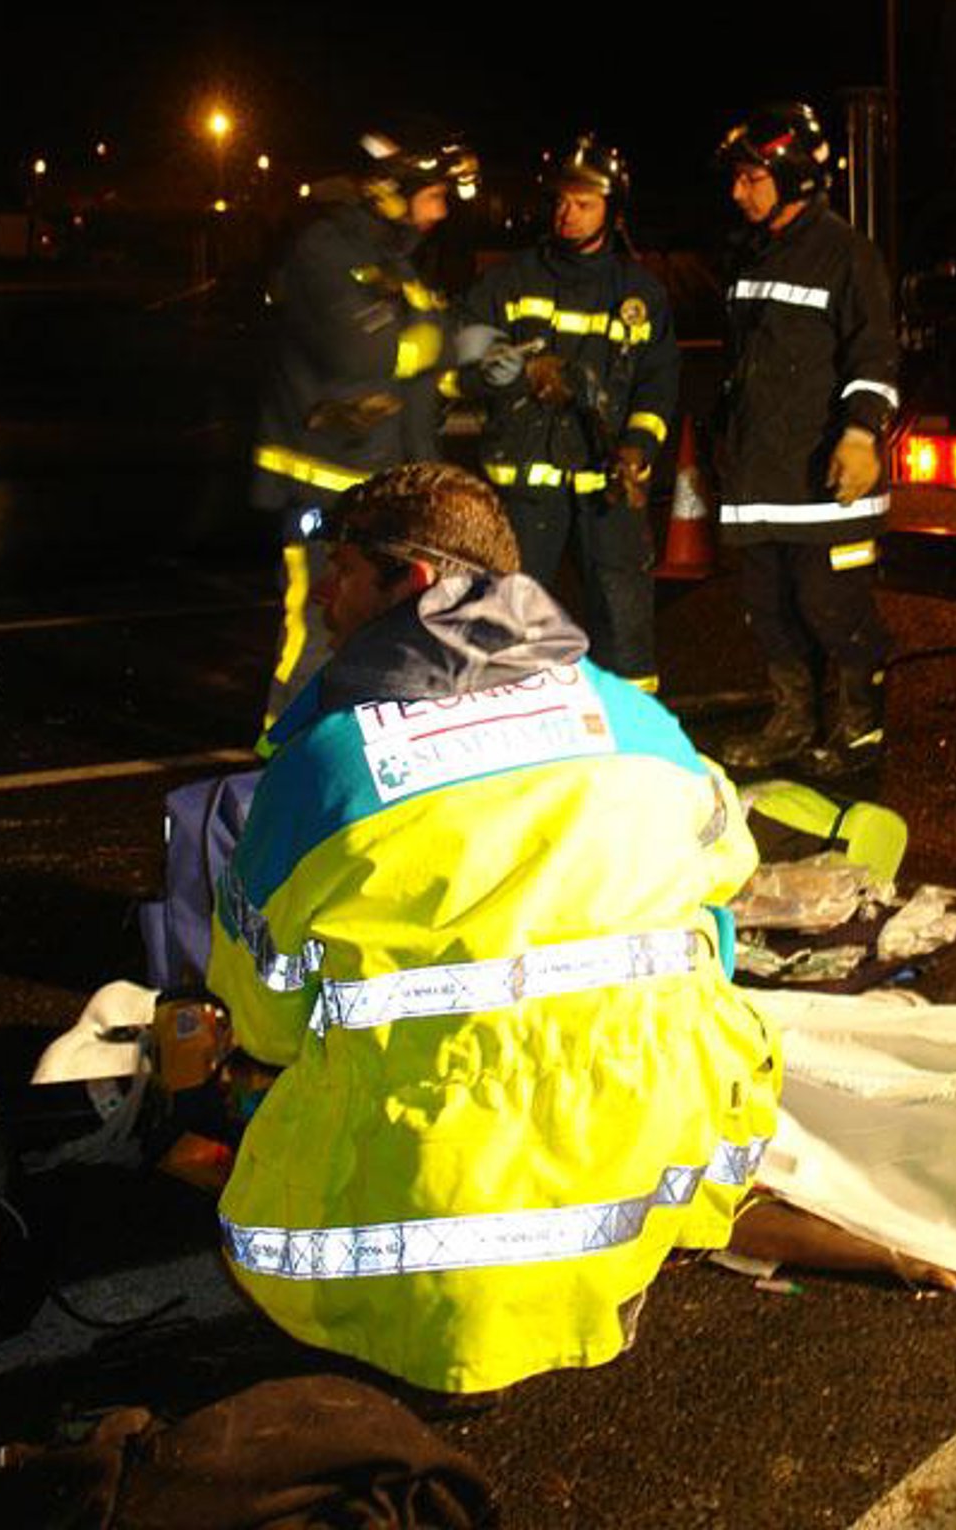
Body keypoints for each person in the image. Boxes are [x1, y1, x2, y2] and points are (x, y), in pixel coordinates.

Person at [206, 462, 781, 1394]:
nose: (321, 598)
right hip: (646, 1150)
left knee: (265, 1163)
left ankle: (417, 1327)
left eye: (341, 571)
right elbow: (721, 897)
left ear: (413, 581)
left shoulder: (329, 772)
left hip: (435, 1185)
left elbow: (262, 1017)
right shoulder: (638, 721)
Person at [251, 133, 475, 733]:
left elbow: (426, 355)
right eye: (434, 196)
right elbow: (361, 352)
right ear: (392, 192)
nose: (441, 211)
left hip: (387, 492)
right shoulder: (323, 250)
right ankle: (284, 758)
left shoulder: (395, 262)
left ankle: (354, 752)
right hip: (324, 494)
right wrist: (433, 343)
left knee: (380, 634)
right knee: (315, 632)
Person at [712, 103, 899, 781]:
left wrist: (861, 433)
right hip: (762, 481)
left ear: (791, 176)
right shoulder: (749, 252)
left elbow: (875, 353)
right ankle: (793, 721)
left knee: (832, 608)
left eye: (751, 177)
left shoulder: (846, 254)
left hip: (825, 483)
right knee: (769, 611)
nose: (738, 191)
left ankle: (859, 726)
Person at [459, 136, 679, 691]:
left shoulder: (640, 294)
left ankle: (630, 731)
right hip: (525, 491)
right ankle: (507, 724)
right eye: (561, 201)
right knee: (505, 629)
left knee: (626, 633)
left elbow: (657, 385)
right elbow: (461, 354)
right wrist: (520, 372)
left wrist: (637, 449)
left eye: (584, 204)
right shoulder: (511, 282)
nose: (567, 214)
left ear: (612, 209)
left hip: (608, 490)